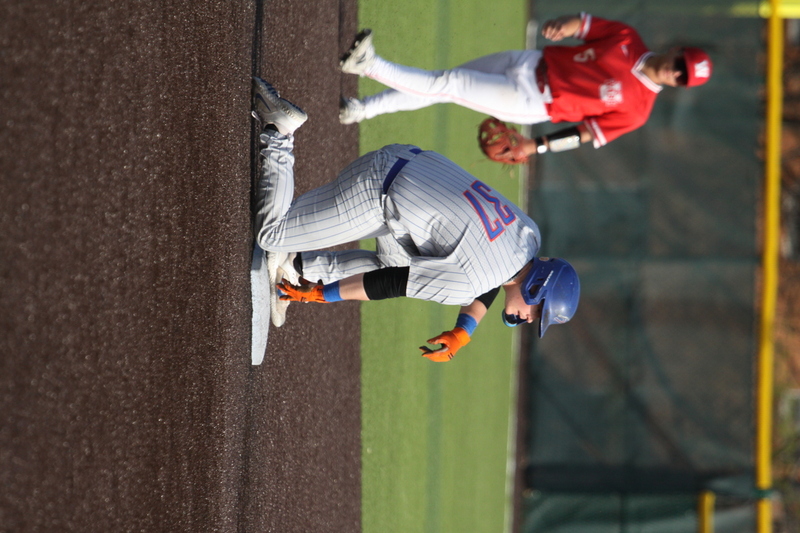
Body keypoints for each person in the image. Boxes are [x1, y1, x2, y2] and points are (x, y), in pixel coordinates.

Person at [251, 76, 580, 361]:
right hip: (376, 191)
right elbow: (393, 284)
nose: (528, 319)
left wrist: (463, 331)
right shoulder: (473, 282)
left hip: (407, 168)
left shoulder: (529, 236)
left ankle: (297, 268)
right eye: (537, 312)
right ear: (537, 288)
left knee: (390, 262)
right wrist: (326, 295)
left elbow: (491, 275)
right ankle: (280, 130)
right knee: (272, 235)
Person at [338, 12, 713, 155]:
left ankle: (369, 64)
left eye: (683, 78)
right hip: (529, 61)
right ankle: (362, 109)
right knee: (440, 87)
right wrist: (566, 25)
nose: (677, 72)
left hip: (530, 98)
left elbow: (585, 133)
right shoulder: (628, 38)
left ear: (680, 86)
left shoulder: (638, 110)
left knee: (446, 84)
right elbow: (584, 25)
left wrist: (537, 146)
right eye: (682, 64)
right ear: (678, 50)